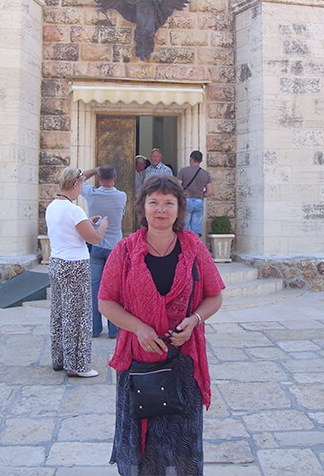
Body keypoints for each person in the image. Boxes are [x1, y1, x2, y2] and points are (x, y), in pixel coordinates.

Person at [99, 175, 225, 474]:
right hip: (139, 362)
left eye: (169, 203)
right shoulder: (125, 251)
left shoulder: (194, 248)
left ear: (180, 209)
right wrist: (139, 328)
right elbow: (106, 302)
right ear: (142, 207)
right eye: (153, 202)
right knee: (143, 445)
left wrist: (194, 321)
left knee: (185, 443)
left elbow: (214, 296)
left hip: (184, 361)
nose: (161, 209)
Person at [45, 167, 109, 378]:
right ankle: (77, 365)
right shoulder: (74, 210)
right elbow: (94, 238)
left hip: (56, 263)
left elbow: (69, 231)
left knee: (60, 312)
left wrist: (87, 224)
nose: (81, 189)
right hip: (74, 266)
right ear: (75, 185)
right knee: (79, 315)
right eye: (81, 185)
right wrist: (103, 226)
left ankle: (60, 358)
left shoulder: (52, 207)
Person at [80, 164, 127, 338]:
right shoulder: (122, 196)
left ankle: (94, 328)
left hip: (97, 246)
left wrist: (95, 169)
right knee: (114, 289)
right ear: (114, 178)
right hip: (115, 248)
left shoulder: (91, 194)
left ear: (98, 179)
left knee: (94, 288)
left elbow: (79, 178)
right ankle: (114, 329)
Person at [177, 151, 213, 237]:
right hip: (199, 202)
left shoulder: (183, 171)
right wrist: (200, 194)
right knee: (196, 228)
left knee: (184, 228)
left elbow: (177, 187)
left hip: (186, 201)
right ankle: (195, 247)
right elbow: (210, 192)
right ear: (201, 160)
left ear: (191, 159)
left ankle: (184, 248)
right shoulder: (205, 174)